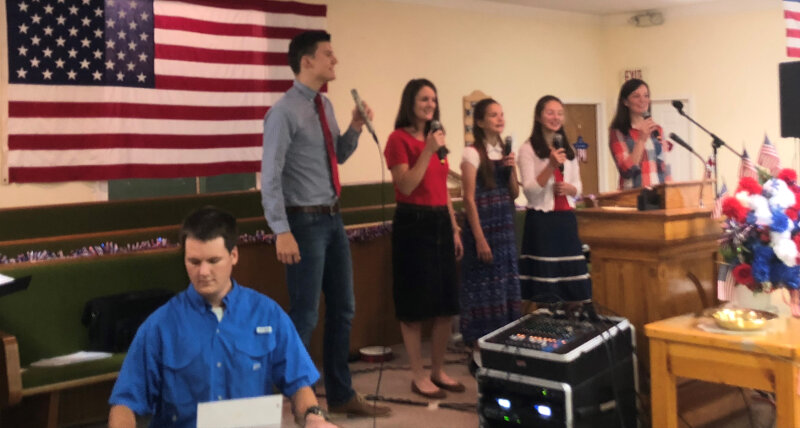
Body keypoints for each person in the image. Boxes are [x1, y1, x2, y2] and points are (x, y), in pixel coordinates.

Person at [108, 207, 337, 428]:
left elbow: (299, 382)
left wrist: (314, 417)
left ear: (233, 255)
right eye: (194, 262)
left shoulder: (267, 314)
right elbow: (125, 402)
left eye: (213, 261)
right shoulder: (160, 326)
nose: (203, 272)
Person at [260, 30, 390, 417]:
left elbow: (339, 156)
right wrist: (281, 229)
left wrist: (355, 126)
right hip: (302, 222)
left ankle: (341, 393)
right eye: (328, 54)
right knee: (304, 315)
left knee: (344, 308)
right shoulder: (283, 113)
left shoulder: (326, 105)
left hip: (333, 219)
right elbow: (270, 177)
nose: (335, 61)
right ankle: (295, 402)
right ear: (307, 61)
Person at [384, 78, 465, 399]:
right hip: (413, 223)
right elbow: (406, 184)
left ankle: (438, 370)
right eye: (424, 99)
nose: (430, 104)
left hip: (440, 222)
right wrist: (428, 150)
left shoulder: (436, 140)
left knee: (446, 303)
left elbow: (442, 187)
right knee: (414, 304)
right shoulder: (398, 139)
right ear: (410, 102)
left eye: (433, 99)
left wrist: (454, 227)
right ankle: (418, 374)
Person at [459, 98, 521, 356]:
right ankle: (479, 345)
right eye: (493, 115)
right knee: (483, 287)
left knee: (505, 285)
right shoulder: (472, 153)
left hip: (504, 225)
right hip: (483, 226)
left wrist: (511, 168)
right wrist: (480, 238)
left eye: (501, 114)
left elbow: (514, 193)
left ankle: (505, 340)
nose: (499, 119)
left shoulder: (505, 152)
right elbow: (468, 198)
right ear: (481, 121)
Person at [518, 96, 591, 305]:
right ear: (539, 117)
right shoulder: (528, 149)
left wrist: (570, 189)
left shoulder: (568, 150)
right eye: (550, 113)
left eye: (559, 113)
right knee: (546, 287)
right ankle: (547, 321)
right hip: (542, 221)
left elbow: (578, 187)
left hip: (566, 219)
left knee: (574, 287)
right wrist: (550, 166)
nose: (555, 117)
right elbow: (530, 191)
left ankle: (572, 322)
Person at [609, 78, 671, 190]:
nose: (643, 100)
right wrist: (641, 140)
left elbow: (665, 166)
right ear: (625, 102)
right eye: (636, 96)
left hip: (659, 193)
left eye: (646, 96)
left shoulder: (657, 130)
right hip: (634, 195)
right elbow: (626, 170)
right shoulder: (618, 132)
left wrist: (672, 190)